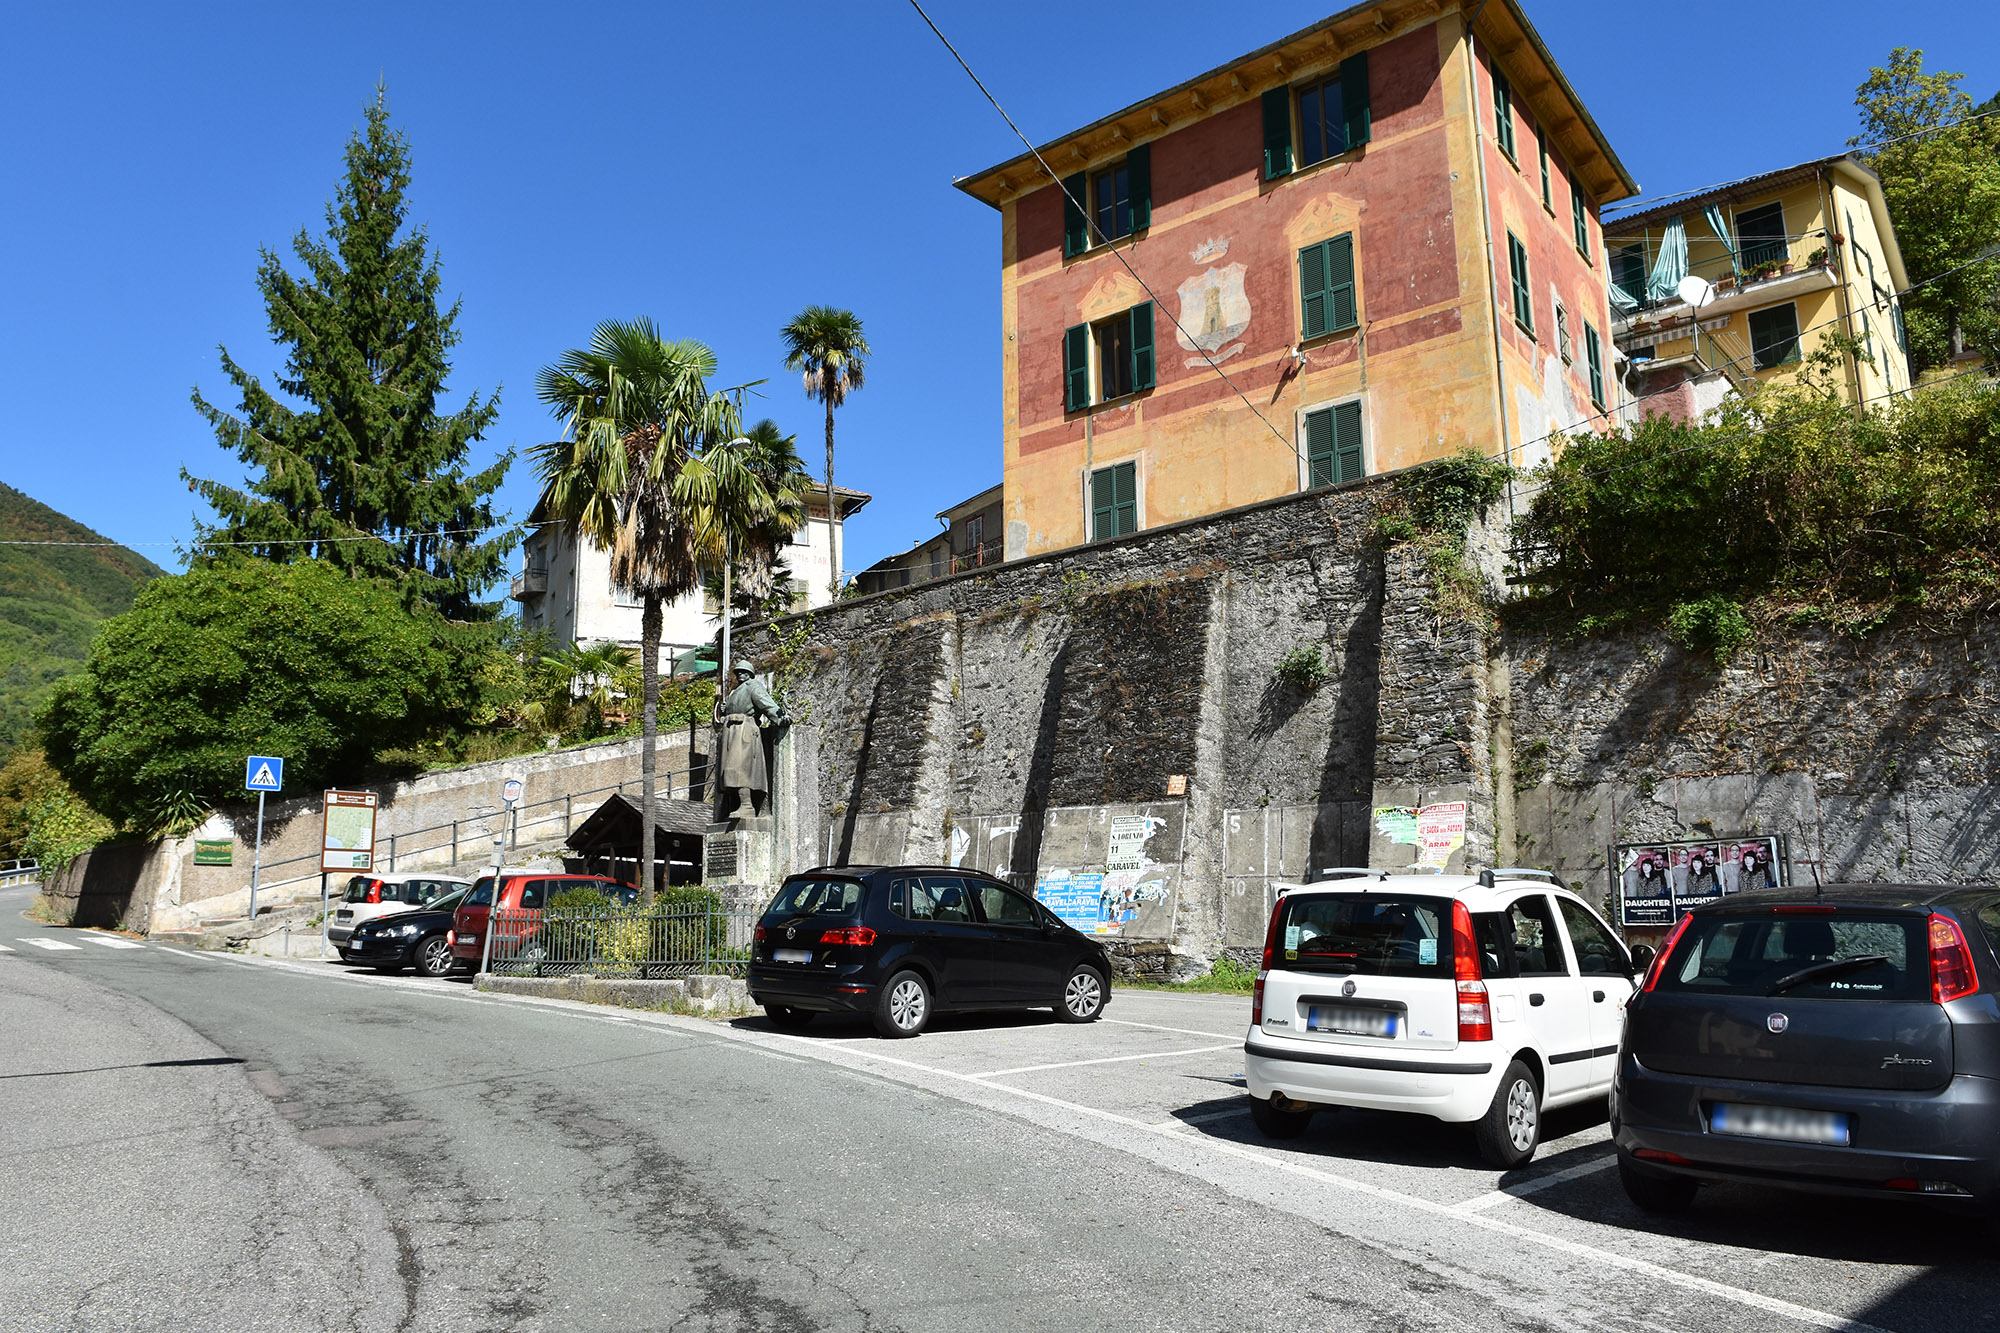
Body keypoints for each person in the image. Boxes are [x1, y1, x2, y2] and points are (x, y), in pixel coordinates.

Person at [714, 660, 785, 823]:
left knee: (739, 767)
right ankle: (740, 804)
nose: (740, 673)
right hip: (731, 732)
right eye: (738, 671)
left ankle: (747, 805)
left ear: (751, 673)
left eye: (744, 671)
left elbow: (766, 703)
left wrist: (780, 718)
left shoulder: (753, 686)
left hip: (744, 730)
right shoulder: (735, 691)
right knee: (729, 771)